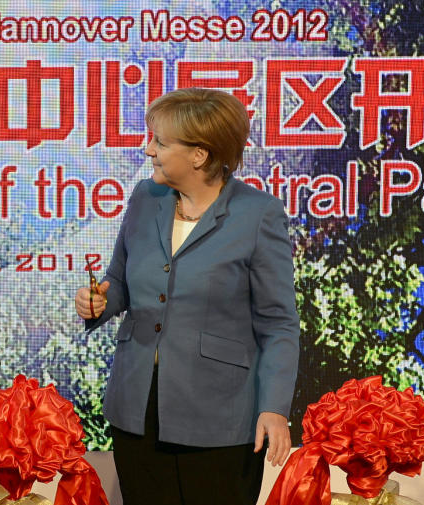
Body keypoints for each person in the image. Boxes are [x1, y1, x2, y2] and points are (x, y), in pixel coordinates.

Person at [74, 88, 301, 504]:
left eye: (160, 142)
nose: (148, 150)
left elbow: (278, 323)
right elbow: (119, 281)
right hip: (138, 407)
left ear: (199, 155)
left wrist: (274, 407)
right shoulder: (146, 198)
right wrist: (102, 302)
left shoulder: (258, 213)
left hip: (219, 415)